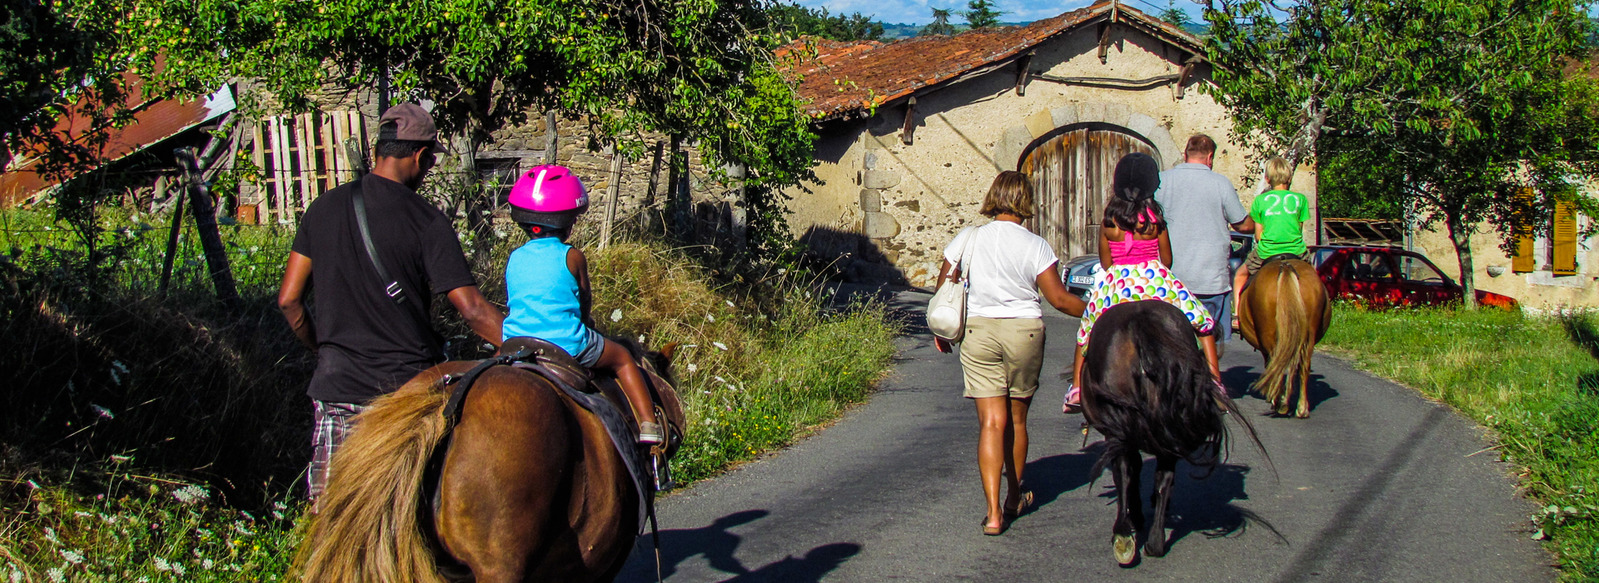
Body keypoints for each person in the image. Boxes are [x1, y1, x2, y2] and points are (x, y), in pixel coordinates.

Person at [277, 103, 505, 507]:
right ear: (420, 156)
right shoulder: (426, 221)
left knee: (335, 522)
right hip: (406, 398)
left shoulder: (321, 209)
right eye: (431, 159)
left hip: (338, 390)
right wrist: (533, 346)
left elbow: (289, 301)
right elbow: (471, 309)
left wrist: (325, 351)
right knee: (413, 518)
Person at [935, 170, 1085, 536]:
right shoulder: (1036, 245)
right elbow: (1060, 300)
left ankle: (992, 514)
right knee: (1017, 421)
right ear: (1026, 201)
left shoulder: (969, 238)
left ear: (993, 196)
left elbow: (943, 287)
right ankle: (1014, 496)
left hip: (979, 331)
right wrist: (1100, 306)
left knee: (990, 423)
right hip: (1024, 332)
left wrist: (941, 331)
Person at [501, 165, 662, 444]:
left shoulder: (514, 257)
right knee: (623, 358)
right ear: (567, 221)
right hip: (566, 343)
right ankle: (649, 424)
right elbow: (583, 298)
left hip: (515, 341)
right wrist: (586, 321)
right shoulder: (573, 256)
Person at [1063, 153, 1220, 413]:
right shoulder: (1155, 221)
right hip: (1154, 277)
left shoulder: (1109, 222)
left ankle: (1078, 387)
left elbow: (1105, 263)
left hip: (1118, 280)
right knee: (1202, 321)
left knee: (1087, 330)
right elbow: (1167, 259)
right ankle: (1215, 382)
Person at [1154, 134, 1253, 350]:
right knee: (1208, 343)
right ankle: (1210, 379)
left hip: (1171, 280)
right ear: (1210, 157)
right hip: (1209, 280)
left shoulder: (1162, 181)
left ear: (1184, 154)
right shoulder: (1220, 183)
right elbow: (1242, 225)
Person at [1231, 157, 1312, 312]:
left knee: (1240, 275)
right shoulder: (1301, 200)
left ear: (1267, 179)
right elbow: (1299, 229)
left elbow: (1258, 236)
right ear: (1289, 177)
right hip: (1296, 251)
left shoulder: (1260, 201)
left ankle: (1239, 315)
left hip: (1267, 252)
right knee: (1313, 278)